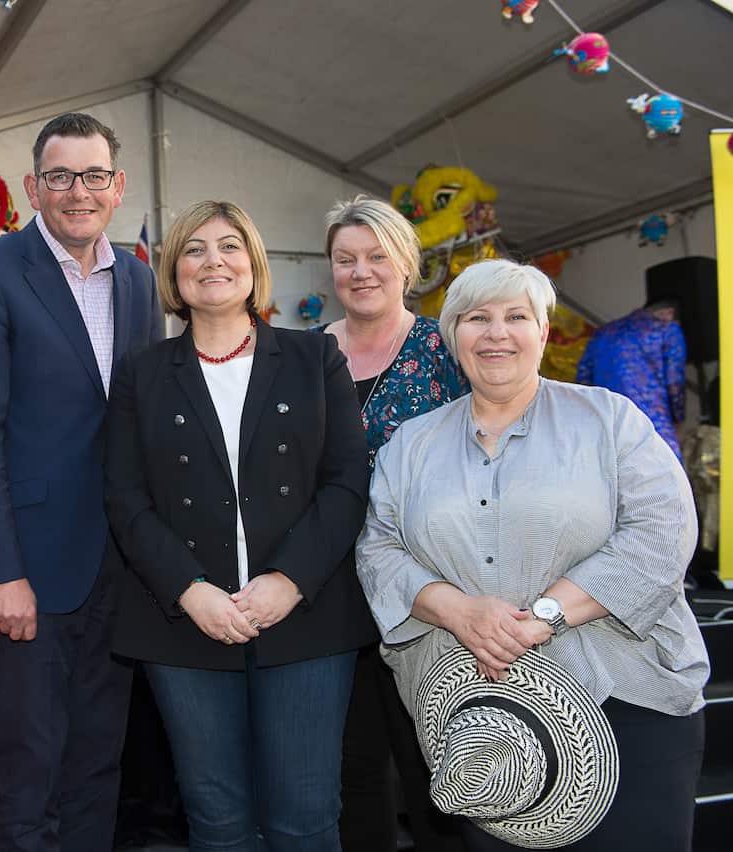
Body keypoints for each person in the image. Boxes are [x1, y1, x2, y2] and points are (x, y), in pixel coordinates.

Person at [357, 259, 708, 851]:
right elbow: (378, 551)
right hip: (484, 726)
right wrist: (461, 614)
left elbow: (662, 531)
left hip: (624, 697)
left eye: (516, 317)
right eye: (477, 318)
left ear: (543, 332)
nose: (497, 333)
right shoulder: (408, 447)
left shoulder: (609, 420)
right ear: (452, 338)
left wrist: (543, 618)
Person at [106, 200, 372, 852]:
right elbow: (124, 496)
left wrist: (289, 580)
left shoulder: (317, 359)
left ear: (254, 263)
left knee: (305, 820)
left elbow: (347, 483)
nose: (212, 261)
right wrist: (189, 589)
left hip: (306, 621)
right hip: (186, 625)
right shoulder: (141, 373)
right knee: (217, 824)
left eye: (229, 246)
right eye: (194, 249)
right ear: (174, 271)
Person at [0, 112, 164, 852]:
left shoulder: (138, 281)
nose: (78, 191)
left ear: (118, 186)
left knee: (99, 765)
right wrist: (0, 573)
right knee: (30, 770)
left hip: (120, 571)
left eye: (94, 176)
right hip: (32, 571)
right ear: (34, 188)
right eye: (61, 176)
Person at [320, 195, 468, 852]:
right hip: (330, 588)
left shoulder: (446, 346)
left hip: (427, 585)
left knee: (433, 758)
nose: (361, 271)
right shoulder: (305, 353)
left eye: (377, 256)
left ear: (406, 263)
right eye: (345, 259)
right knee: (352, 765)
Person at [576, 298, 686, 459]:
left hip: (607, 427)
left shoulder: (603, 333)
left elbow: (583, 379)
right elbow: (674, 382)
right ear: (670, 313)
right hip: (654, 425)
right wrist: (679, 418)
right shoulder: (668, 329)